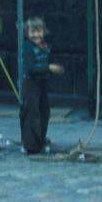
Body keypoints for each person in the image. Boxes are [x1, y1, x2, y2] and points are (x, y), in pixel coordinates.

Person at [19, 16, 64, 155]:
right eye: (33, 31)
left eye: (39, 31)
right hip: (31, 84)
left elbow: (49, 60)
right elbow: (31, 68)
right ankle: (31, 145)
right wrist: (49, 68)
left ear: (44, 32)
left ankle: (40, 139)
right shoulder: (27, 48)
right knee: (32, 113)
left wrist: (55, 67)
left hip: (42, 83)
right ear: (27, 33)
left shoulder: (45, 46)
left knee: (44, 112)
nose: (36, 35)